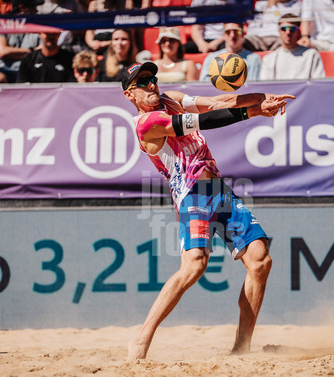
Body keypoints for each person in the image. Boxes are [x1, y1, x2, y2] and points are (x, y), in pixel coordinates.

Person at [121, 61, 295, 359]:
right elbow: (205, 121)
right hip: (192, 194)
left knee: (260, 260)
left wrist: (262, 98)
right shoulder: (146, 123)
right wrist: (254, 111)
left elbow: (218, 102)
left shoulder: (171, 99)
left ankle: (242, 347)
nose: (152, 84)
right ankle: (141, 338)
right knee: (194, 266)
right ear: (129, 94)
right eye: (143, 82)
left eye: (153, 78)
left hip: (218, 190)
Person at [0, 0, 42, 84]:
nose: (36, 10)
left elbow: (43, 51)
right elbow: (3, 52)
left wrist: (14, 53)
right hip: (4, 70)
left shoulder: (39, 26)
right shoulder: (0, 24)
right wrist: (32, 51)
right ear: (22, 8)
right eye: (32, 7)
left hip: (30, 70)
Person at [260, 13, 326, 80]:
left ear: (298, 32)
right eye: (283, 29)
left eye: (292, 29)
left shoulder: (312, 55)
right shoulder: (269, 59)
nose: (288, 32)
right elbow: (266, 85)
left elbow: (319, 83)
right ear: (279, 31)